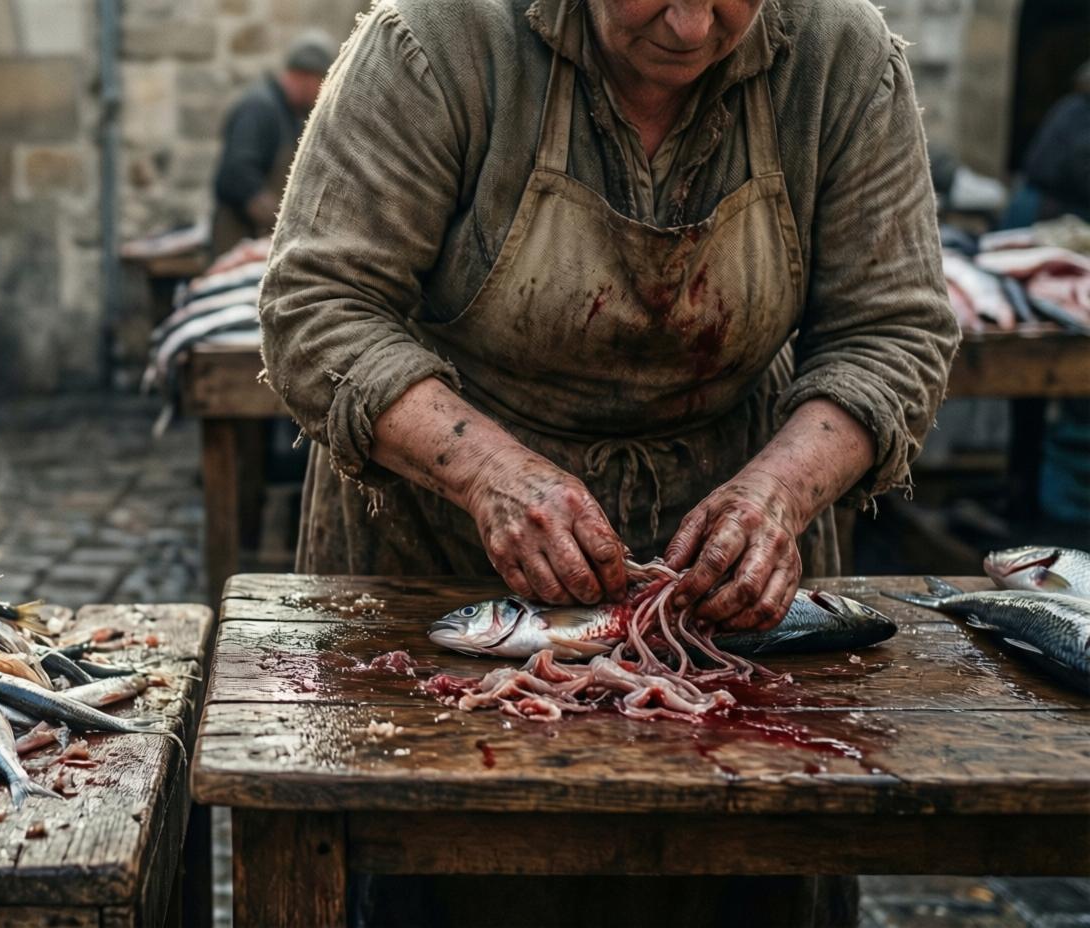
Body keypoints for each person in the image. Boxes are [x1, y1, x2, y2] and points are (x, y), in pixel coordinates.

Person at [259, 0, 958, 922]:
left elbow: (894, 329)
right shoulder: (436, 41)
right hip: (442, 561)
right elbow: (316, 305)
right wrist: (489, 475)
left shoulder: (842, 60)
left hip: (730, 593)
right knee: (450, 881)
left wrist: (780, 493)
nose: (691, 27)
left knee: (740, 876)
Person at [209, 31, 337, 255]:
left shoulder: (291, 114)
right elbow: (237, 175)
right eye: (323, 83)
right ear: (306, 76)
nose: (324, 93)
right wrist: (284, 224)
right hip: (238, 245)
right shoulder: (259, 109)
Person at [1013, 59, 1090, 224]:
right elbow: (1081, 165)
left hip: (1036, 197)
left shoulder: (1070, 105)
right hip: (1045, 204)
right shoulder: (1081, 113)